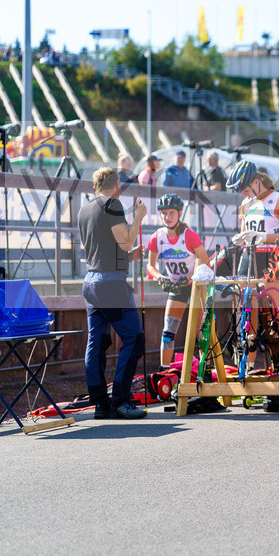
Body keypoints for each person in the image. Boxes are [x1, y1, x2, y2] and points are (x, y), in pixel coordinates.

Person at [77, 167, 148, 420]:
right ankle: (120, 401)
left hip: (91, 282)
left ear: (95, 185)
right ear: (116, 184)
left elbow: (103, 248)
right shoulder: (114, 204)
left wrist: (127, 257)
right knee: (134, 338)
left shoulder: (84, 209)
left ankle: (100, 404)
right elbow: (126, 241)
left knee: (96, 342)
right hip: (111, 285)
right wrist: (138, 217)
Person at [227, 161, 279, 370]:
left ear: (257, 182)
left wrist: (263, 236)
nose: (244, 194)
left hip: (271, 260)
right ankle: (247, 368)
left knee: (277, 319)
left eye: (246, 189)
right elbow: (245, 231)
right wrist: (241, 239)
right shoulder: (246, 203)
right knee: (248, 319)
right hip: (248, 259)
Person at [145, 194, 209, 368]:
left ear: (180, 213)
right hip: (176, 286)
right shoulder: (157, 237)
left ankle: (206, 370)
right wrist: (161, 278)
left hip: (195, 285)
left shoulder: (190, 235)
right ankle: (165, 372)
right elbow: (150, 267)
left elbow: (206, 263)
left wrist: (189, 278)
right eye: (164, 213)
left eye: (172, 213)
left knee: (200, 332)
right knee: (167, 333)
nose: (168, 217)